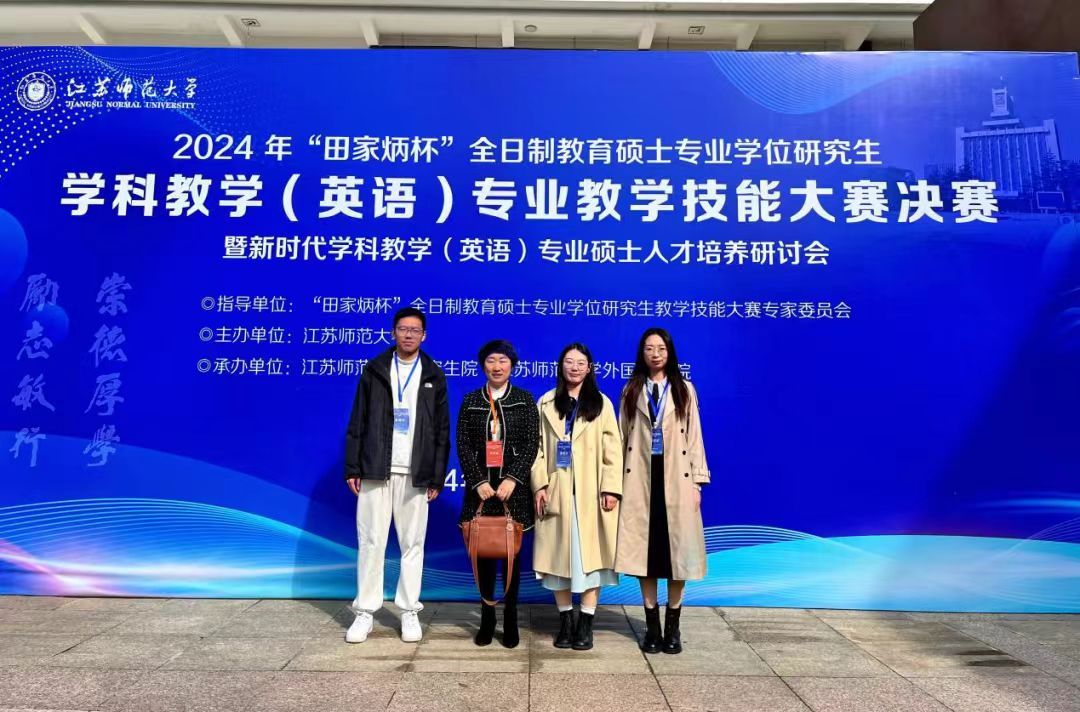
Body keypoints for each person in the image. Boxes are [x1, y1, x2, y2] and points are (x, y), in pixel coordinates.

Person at [344, 307, 450, 644]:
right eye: (403, 329)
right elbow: (358, 420)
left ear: (424, 336)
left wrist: (436, 476)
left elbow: (441, 431)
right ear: (393, 332)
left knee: (412, 544)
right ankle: (365, 612)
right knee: (371, 541)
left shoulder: (433, 374)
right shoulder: (375, 369)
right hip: (376, 468)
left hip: (415, 472)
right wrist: (353, 466)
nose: (408, 334)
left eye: (415, 330)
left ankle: (408, 611)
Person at [615, 327, 710, 655]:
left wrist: (696, 481)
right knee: (647, 557)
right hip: (640, 481)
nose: (655, 354)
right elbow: (621, 437)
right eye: (649, 348)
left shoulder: (684, 389)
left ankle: (673, 627)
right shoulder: (631, 389)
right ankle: (652, 627)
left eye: (661, 348)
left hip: (677, 481)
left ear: (670, 353)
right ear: (641, 354)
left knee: (677, 557)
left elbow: (694, 437)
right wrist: (614, 484)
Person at [531, 342, 623, 651]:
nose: (574, 367)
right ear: (561, 366)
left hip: (591, 495)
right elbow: (536, 450)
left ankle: (586, 622)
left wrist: (611, 488)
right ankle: (565, 621)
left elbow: (613, 451)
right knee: (557, 561)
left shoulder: (601, 404)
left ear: (589, 368)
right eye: (569, 362)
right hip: (556, 493)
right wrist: (539, 485)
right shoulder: (546, 402)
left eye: (580, 363)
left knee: (590, 562)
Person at [457, 340, 539, 648]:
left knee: (512, 559)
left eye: (503, 361)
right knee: (484, 557)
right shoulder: (470, 401)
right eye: (491, 360)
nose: (497, 366)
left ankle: (511, 619)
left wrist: (513, 479)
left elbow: (532, 444)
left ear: (512, 366)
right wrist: (478, 481)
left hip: (512, 494)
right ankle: (487, 618)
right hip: (480, 493)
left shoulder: (524, 400)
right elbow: (463, 445)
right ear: (483, 366)